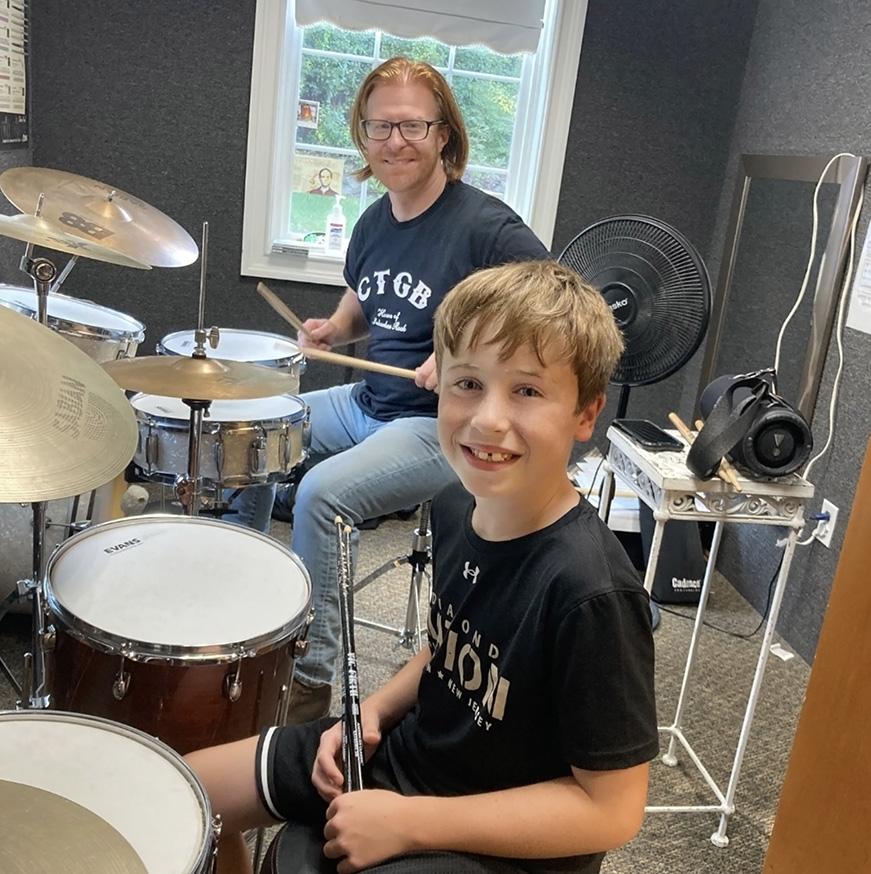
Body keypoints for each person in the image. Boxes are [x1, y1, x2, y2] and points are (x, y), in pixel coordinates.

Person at [185, 259, 658, 874]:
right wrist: (373, 711)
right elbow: (448, 646)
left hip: (498, 840)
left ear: (586, 414)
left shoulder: (592, 593)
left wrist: (409, 824)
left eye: (528, 391)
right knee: (188, 791)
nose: (488, 418)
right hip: (413, 757)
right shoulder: (458, 504)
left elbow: (612, 811)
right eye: (468, 383)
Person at [225, 56, 549, 722]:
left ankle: (309, 683)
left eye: (411, 126)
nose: (395, 141)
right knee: (252, 425)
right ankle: (247, 604)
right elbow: (364, 297)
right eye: (380, 127)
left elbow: (551, 302)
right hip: (365, 404)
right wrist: (335, 327)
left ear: (443, 135)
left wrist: (461, 361)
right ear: (363, 135)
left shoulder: (485, 227)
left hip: (438, 425)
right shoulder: (374, 222)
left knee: (319, 495)